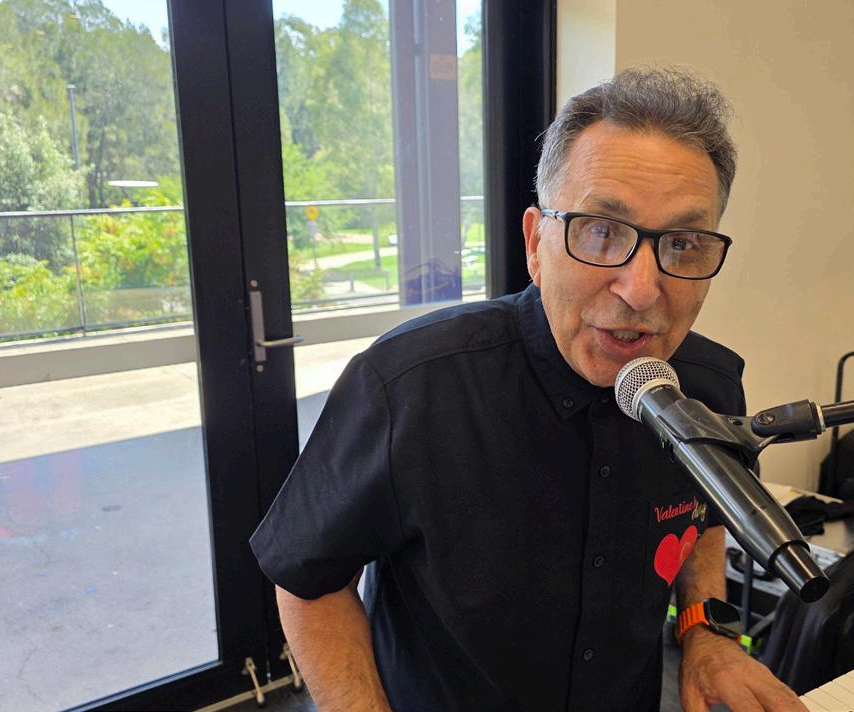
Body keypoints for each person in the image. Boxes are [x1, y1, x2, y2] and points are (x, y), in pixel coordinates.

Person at [250, 67, 806, 712]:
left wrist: (703, 630)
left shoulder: (709, 385)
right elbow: (309, 580)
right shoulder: (409, 387)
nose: (640, 289)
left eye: (683, 243)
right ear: (536, 243)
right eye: (601, 230)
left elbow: (704, 513)